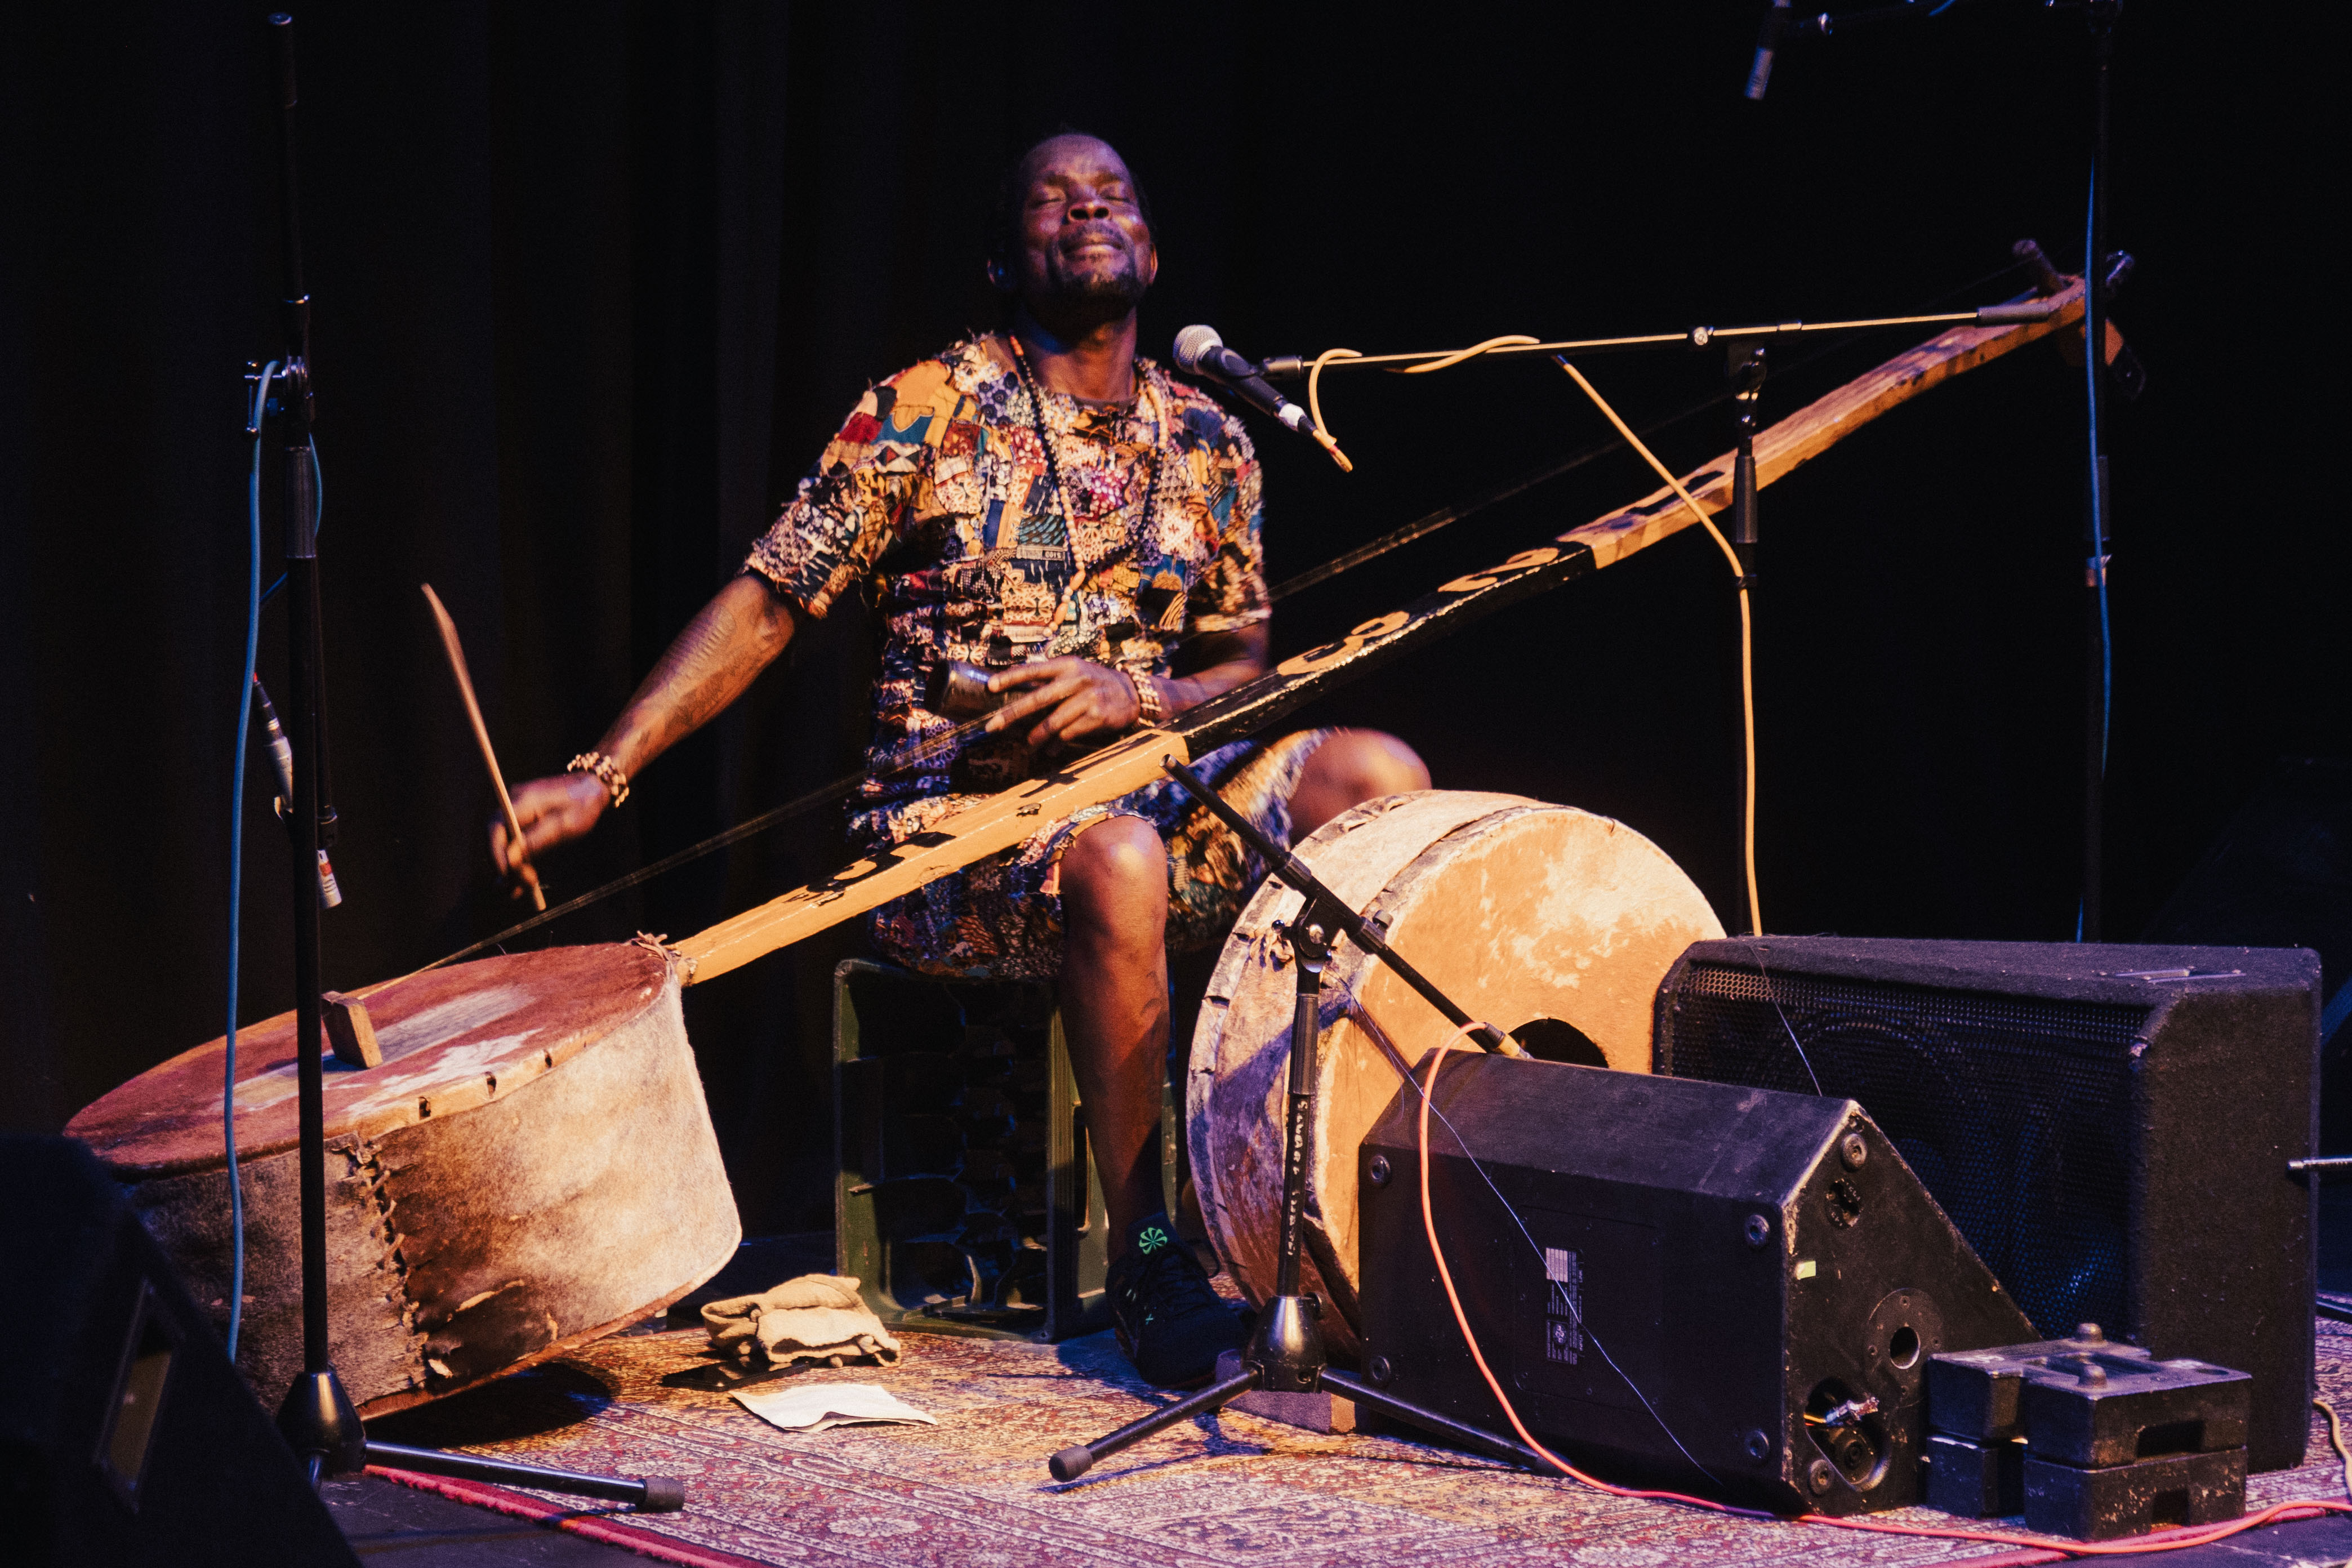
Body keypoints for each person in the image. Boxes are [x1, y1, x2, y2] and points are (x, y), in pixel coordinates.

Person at [496, 132, 1428, 1386]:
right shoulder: (924, 406)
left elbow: (1243, 659)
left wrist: (1143, 694)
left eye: (1113, 195)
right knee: (1121, 859)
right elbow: (768, 602)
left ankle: (1332, 1211)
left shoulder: (1214, 434)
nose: (1088, 208)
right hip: (948, 838)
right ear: (1002, 260)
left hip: (1154, 787)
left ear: (1153, 252)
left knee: (1379, 780)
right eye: (1054, 198)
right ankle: (1152, 1254)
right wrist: (603, 770)